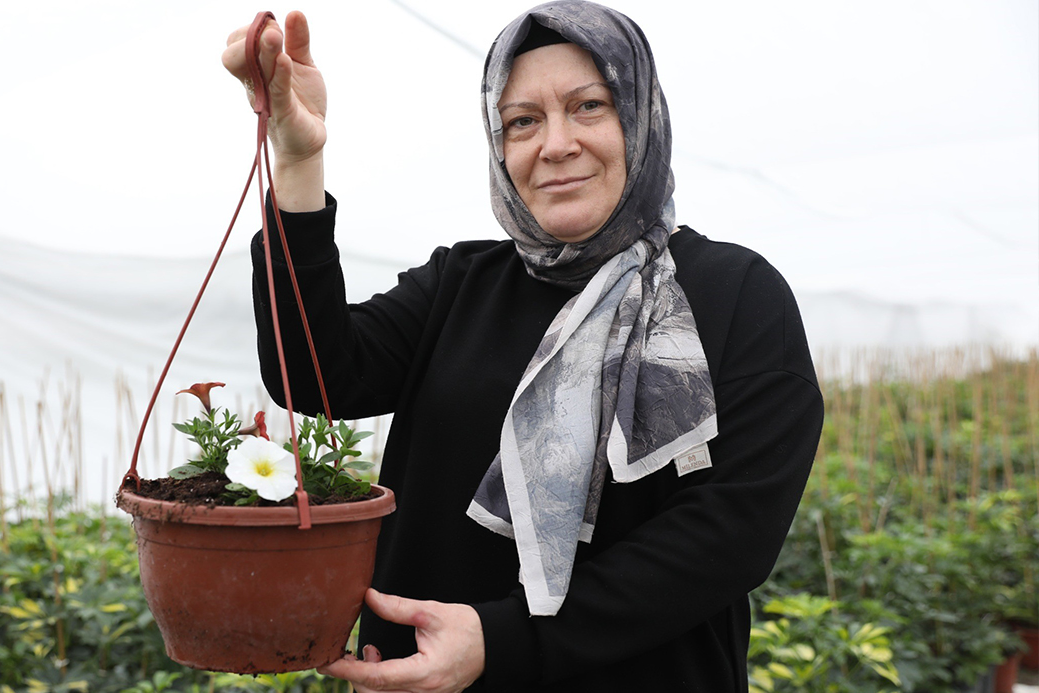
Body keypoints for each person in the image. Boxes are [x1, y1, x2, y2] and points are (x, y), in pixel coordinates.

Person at [222, 3, 824, 692]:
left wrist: (501, 640)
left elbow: (731, 532)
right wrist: (299, 159)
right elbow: (314, 373)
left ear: (641, 116)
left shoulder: (737, 295)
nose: (555, 144)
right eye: (522, 121)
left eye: (589, 106)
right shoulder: (461, 283)